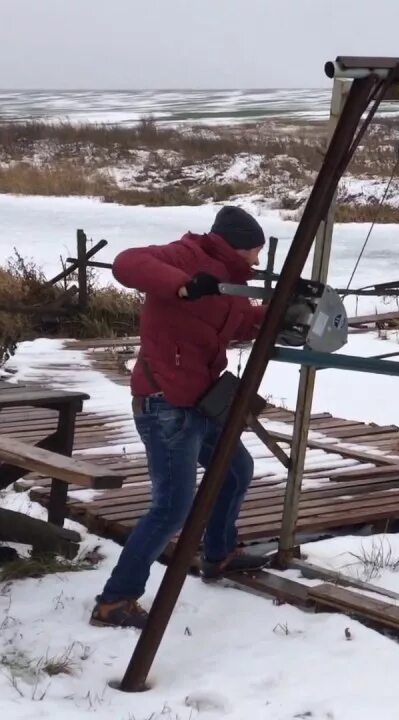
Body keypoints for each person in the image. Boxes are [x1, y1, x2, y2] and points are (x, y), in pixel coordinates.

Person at [90, 205, 274, 629]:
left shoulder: (229, 283)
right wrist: (185, 286)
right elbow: (128, 263)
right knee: (172, 509)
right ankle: (115, 601)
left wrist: (287, 315)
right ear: (234, 246)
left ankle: (219, 553)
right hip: (165, 402)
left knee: (235, 470)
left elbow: (241, 320)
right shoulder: (188, 256)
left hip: (200, 400)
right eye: (253, 251)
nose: (257, 261)